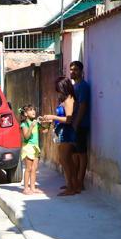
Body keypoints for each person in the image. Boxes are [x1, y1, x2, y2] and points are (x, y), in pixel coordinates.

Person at [66, 60, 91, 195]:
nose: (72, 72)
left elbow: (83, 106)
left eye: (75, 70)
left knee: (81, 154)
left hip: (80, 125)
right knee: (74, 154)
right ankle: (74, 181)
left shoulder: (83, 86)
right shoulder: (74, 87)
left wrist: (76, 123)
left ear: (81, 71)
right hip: (73, 125)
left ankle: (80, 182)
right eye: (71, 69)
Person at [49, 78, 76, 191]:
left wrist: (53, 117)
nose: (58, 91)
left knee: (65, 160)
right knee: (65, 160)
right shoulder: (64, 98)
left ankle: (71, 187)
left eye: (59, 89)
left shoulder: (69, 99)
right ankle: (71, 184)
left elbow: (69, 119)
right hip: (62, 132)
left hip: (67, 133)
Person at [19, 105, 44, 195]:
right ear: (25, 113)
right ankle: (26, 188)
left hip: (35, 147)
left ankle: (33, 188)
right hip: (28, 147)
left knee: (34, 168)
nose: (33, 111)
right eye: (30, 110)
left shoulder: (36, 123)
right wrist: (31, 126)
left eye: (34, 109)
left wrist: (46, 123)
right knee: (28, 168)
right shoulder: (24, 124)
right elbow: (26, 136)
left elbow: (44, 131)